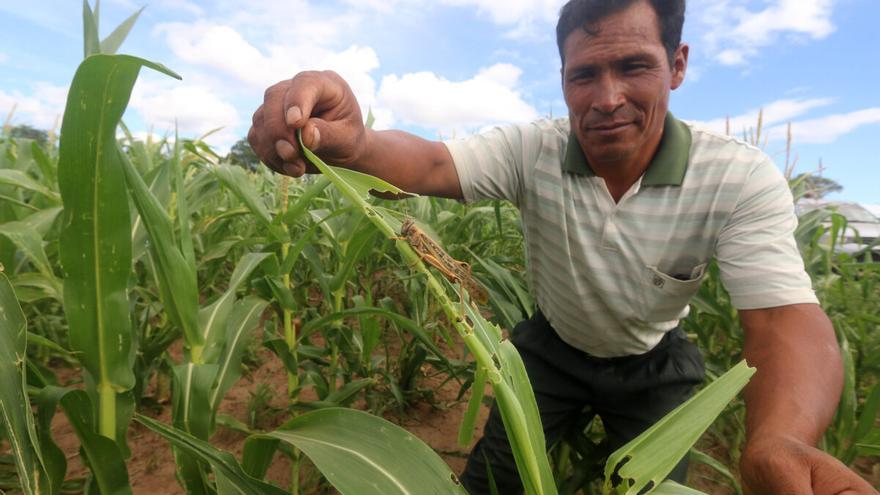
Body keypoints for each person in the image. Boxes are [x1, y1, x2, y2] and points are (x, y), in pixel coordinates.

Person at [247, 0, 878, 493]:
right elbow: (434, 164)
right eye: (585, 75)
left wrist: (781, 440)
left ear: (677, 65)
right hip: (551, 349)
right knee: (492, 482)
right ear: (564, 79)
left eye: (634, 67)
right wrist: (354, 146)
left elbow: (781, 318)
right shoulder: (534, 150)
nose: (607, 99)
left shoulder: (737, 178)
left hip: (653, 361)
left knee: (657, 490)